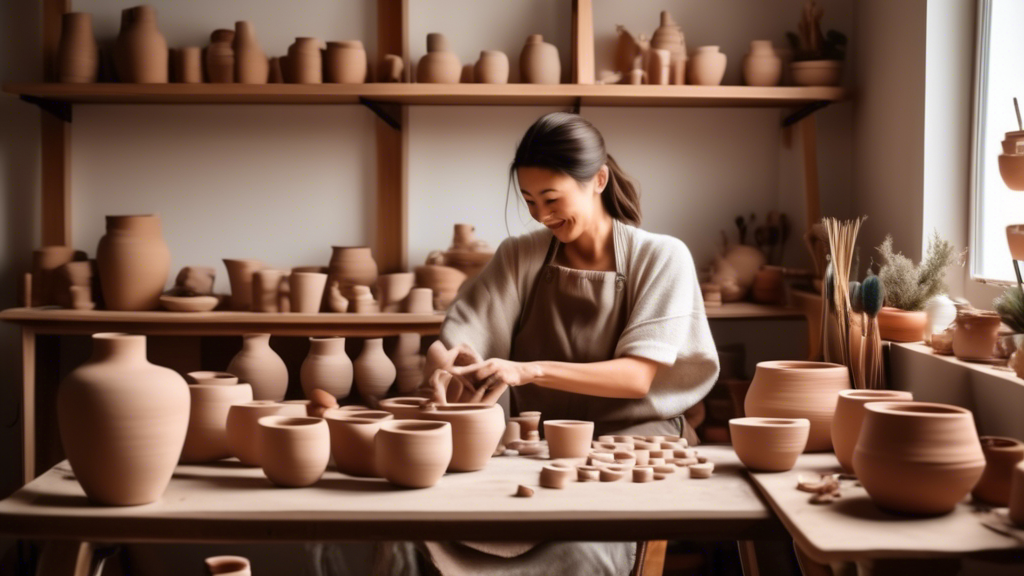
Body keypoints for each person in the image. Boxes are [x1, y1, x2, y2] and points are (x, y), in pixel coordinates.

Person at [408, 112, 720, 575]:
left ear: (599, 180)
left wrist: (528, 369)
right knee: (419, 534)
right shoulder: (521, 255)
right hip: (539, 442)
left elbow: (637, 378)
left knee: (581, 547)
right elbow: (460, 337)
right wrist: (446, 362)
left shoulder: (661, 257)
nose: (541, 215)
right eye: (530, 200)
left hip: (634, 442)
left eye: (552, 198)